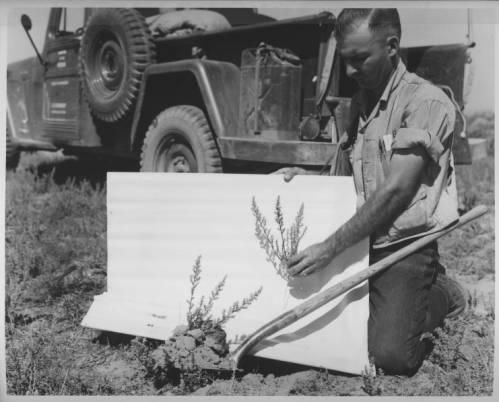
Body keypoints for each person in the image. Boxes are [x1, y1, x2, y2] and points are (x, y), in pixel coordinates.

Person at [277, 8, 468, 375]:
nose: (349, 72)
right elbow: (346, 172)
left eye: (359, 60)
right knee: (333, 337)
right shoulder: (361, 104)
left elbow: (397, 190)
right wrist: (305, 178)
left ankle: (444, 293)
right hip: (364, 241)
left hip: (404, 245)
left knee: (391, 356)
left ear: (392, 46)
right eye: (345, 62)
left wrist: (329, 248)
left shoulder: (424, 103)